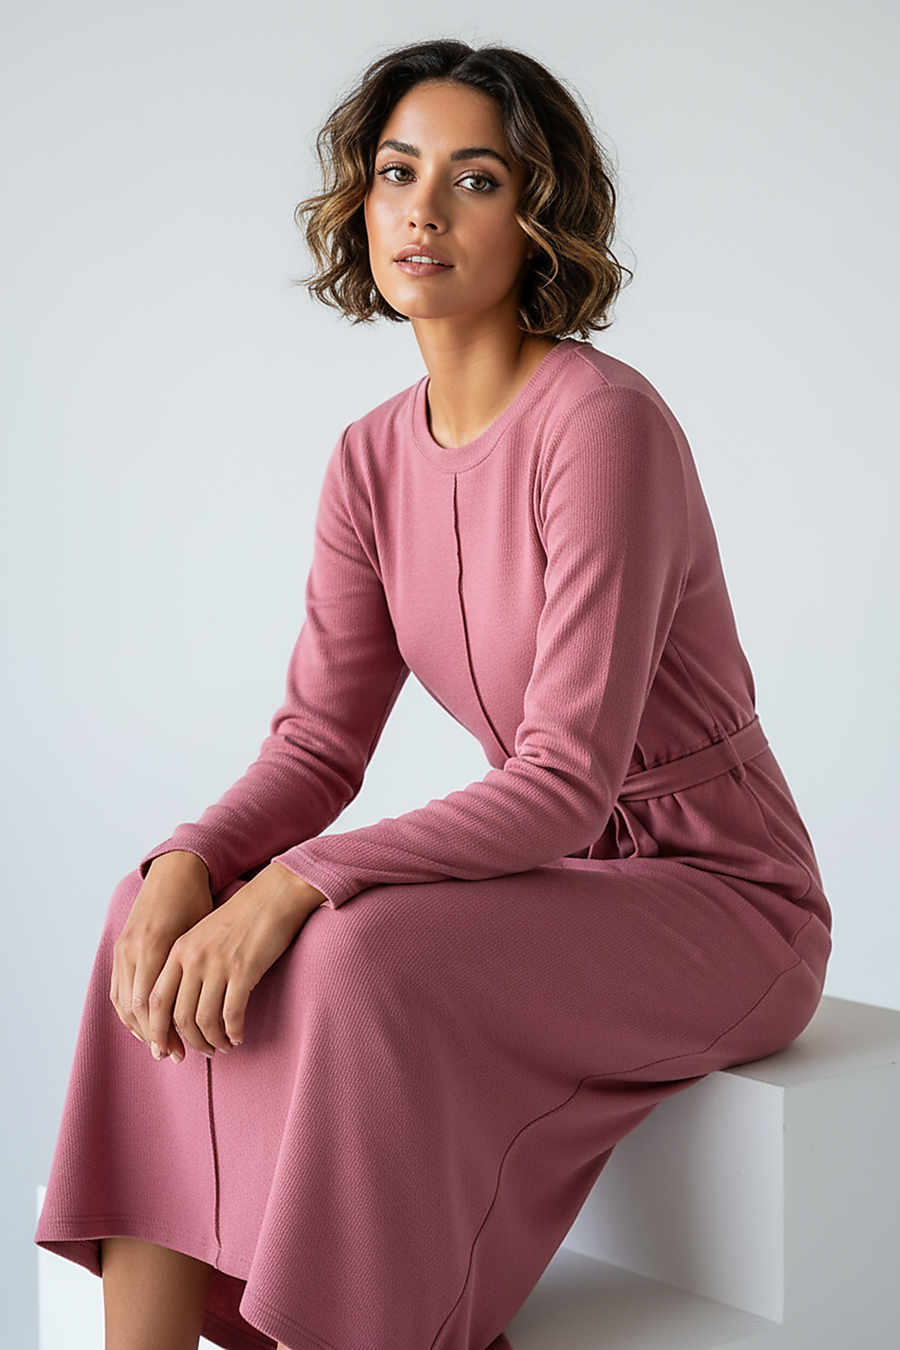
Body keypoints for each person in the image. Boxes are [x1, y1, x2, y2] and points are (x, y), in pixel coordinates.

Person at [35, 38, 832, 1350]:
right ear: (361, 200)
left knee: (353, 945)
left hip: (724, 897)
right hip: (561, 880)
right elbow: (314, 742)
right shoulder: (367, 460)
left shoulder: (601, 425)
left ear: (537, 212)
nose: (422, 209)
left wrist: (299, 880)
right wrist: (192, 856)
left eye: (474, 178)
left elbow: (566, 775)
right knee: (146, 905)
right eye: (399, 171)